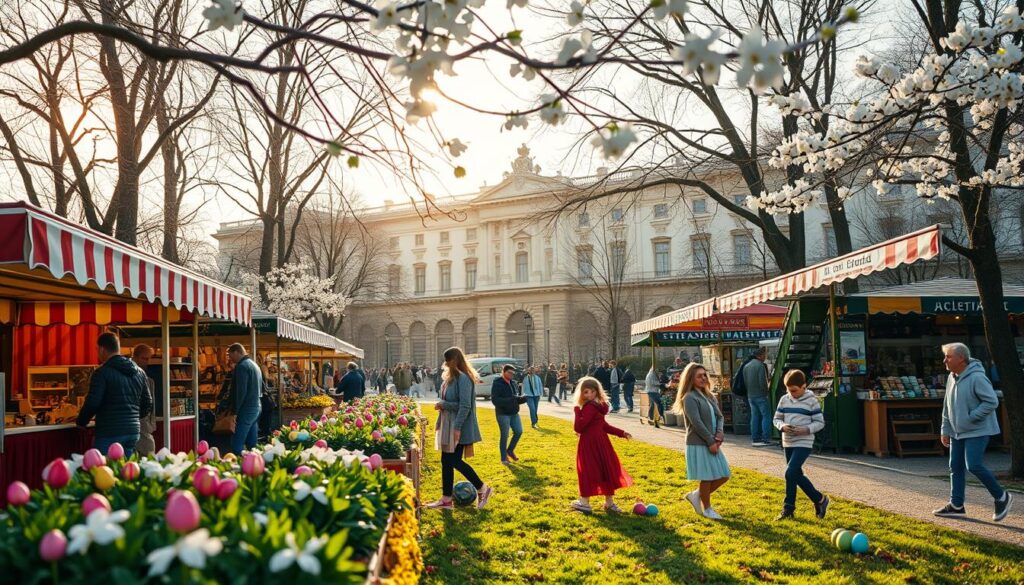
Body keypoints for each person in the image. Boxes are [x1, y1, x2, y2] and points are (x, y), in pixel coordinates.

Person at [934, 343, 1013, 521]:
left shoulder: (977, 377)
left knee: (974, 465)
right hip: (957, 432)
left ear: (961, 358)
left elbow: (992, 401)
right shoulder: (951, 377)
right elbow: (947, 407)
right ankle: (956, 505)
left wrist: (971, 417)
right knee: (955, 466)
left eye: (948, 356)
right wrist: (944, 429)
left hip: (977, 430)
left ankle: (1002, 497)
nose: (944, 360)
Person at [426, 347, 493, 510]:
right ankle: (446, 499)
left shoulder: (463, 379)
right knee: (446, 461)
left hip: (458, 425)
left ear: (454, 361)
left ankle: (482, 488)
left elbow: (465, 406)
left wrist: (445, 407)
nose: (446, 365)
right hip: (448, 424)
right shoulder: (452, 378)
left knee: (454, 460)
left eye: (448, 361)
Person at [76, 333, 152, 459]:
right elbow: (148, 402)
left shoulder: (101, 372)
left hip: (109, 431)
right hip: (132, 431)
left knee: (105, 472)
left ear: (101, 349)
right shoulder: (140, 372)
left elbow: (93, 402)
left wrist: (81, 422)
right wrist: (132, 417)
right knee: (126, 471)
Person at [674, 363, 730, 520]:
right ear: (690, 378)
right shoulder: (689, 398)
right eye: (699, 375)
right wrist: (710, 441)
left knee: (724, 474)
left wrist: (719, 433)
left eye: (705, 375)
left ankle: (695, 495)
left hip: (713, 440)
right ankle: (708, 509)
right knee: (707, 477)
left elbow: (720, 416)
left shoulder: (709, 396)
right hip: (698, 442)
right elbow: (696, 423)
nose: (703, 378)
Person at [570, 376, 633, 513]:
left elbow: (579, 428)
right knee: (605, 470)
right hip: (602, 443)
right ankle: (609, 503)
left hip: (589, 444)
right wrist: (622, 433)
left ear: (597, 392)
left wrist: (577, 411)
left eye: (592, 392)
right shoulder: (598, 406)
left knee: (587, 471)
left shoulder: (589, 407)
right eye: (586, 392)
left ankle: (584, 503)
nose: (589, 395)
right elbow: (603, 426)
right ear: (582, 393)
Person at [773, 370, 829, 520]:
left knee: (790, 473)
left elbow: (820, 423)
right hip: (788, 441)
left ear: (804, 386)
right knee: (794, 475)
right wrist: (782, 426)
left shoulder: (812, 401)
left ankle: (788, 507)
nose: (791, 393)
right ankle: (819, 500)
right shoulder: (784, 399)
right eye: (788, 390)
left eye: (794, 390)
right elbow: (776, 419)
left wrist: (806, 429)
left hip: (804, 442)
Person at [228, 343, 263, 455]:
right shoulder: (254, 365)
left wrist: (234, 411)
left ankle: (237, 467)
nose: (230, 358)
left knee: (237, 444)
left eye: (230, 355)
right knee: (252, 444)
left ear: (237, 352)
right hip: (256, 406)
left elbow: (240, 391)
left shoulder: (242, 366)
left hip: (246, 408)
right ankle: (255, 465)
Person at [490, 364, 527, 465]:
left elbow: (515, 398)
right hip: (503, 414)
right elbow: (495, 400)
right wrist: (511, 400)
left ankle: (510, 450)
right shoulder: (497, 383)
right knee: (504, 435)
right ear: (503, 371)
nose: (511, 375)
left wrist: (522, 399)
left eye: (513, 373)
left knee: (519, 431)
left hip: (514, 413)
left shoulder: (513, 383)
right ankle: (503, 458)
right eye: (509, 373)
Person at [131, 344, 157, 457]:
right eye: (144, 358)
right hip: (139, 424)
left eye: (149, 358)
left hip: (145, 425)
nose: (148, 362)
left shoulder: (147, 378)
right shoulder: (132, 376)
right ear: (135, 357)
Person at [744, 347, 772, 447]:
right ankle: (766, 438)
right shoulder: (760, 366)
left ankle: (755, 438)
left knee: (755, 417)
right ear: (760, 356)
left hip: (751, 395)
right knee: (766, 416)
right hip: (761, 395)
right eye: (764, 355)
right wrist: (766, 391)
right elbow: (763, 382)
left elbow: (745, 382)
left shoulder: (746, 366)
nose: (765, 357)